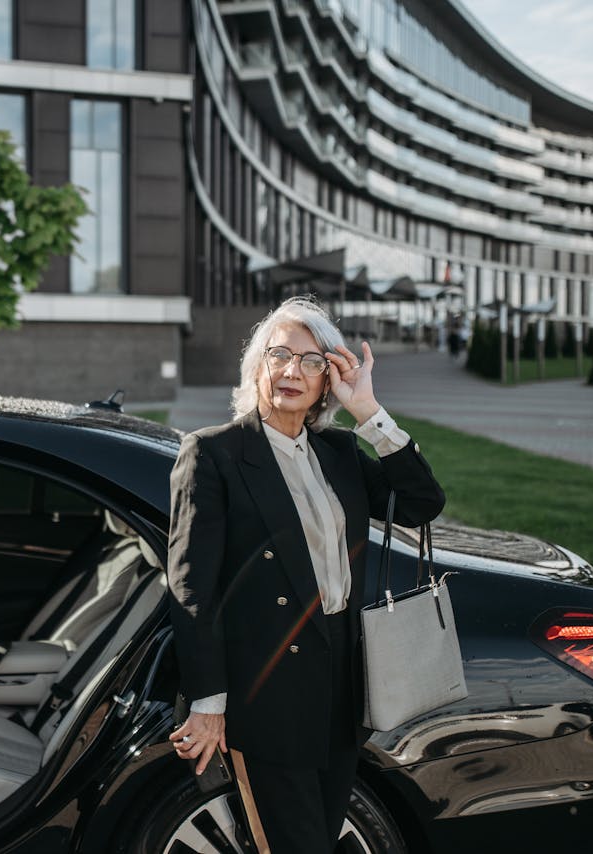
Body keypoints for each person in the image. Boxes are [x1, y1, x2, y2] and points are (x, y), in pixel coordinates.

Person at [166, 296, 445, 853]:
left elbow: (421, 503)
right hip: (266, 696)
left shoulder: (338, 451)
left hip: (341, 686)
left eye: (312, 362)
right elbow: (191, 586)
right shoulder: (215, 454)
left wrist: (368, 412)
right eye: (280, 356)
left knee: (320, 835)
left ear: (327, 381)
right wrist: (208, 702)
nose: (293, 371)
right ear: (257, 367)